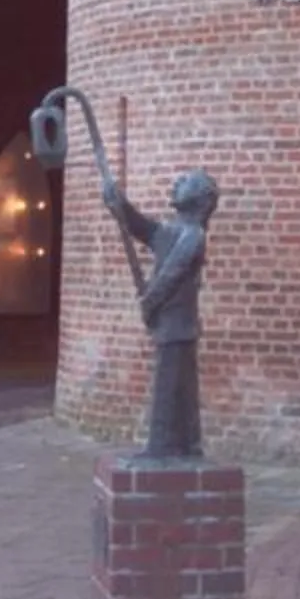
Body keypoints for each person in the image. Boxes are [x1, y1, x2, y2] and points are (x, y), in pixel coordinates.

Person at [101, 166, 219, 459]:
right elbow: (143, 228)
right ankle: (189, 446)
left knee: (169, 387)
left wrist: (149, 302)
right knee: (182, 389)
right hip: (173, 323)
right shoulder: (171, 231)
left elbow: (172, 274)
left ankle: (161, 447)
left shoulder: (193, 235)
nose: (177, 182)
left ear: (202, 199)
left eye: (186, 182)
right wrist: (120, 205)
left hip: (178, 324)